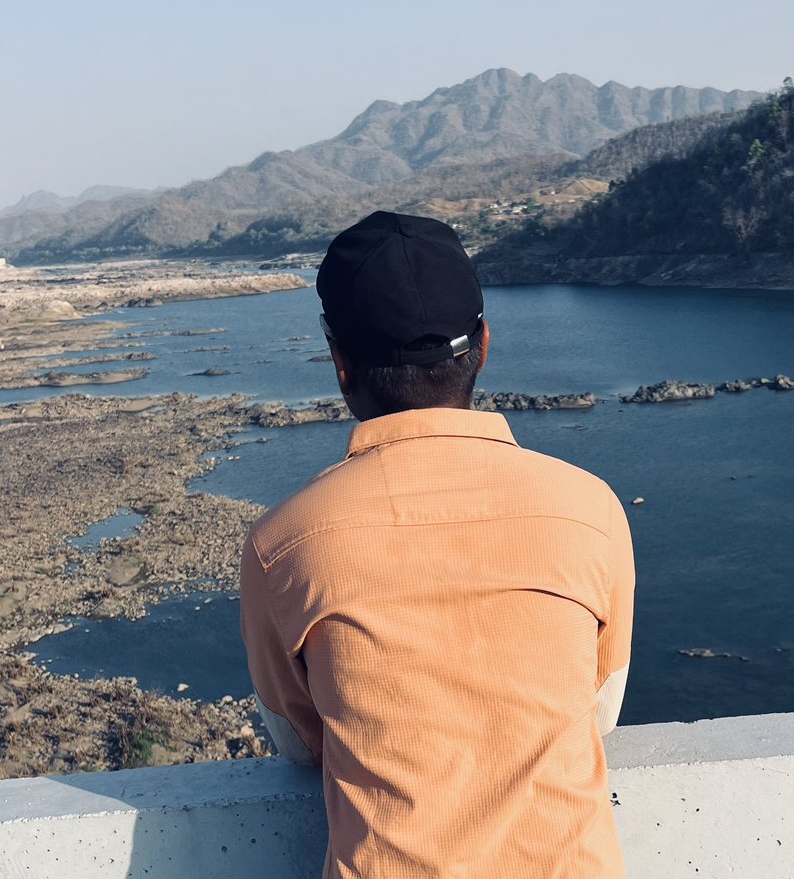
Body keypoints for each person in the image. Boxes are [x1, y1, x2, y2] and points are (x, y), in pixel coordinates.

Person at [241, 211, 635, 879]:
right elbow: (598, 708)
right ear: (483, 345)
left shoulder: (283, 543)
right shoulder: (590, 508)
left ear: (340, 363)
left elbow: (301, 739)